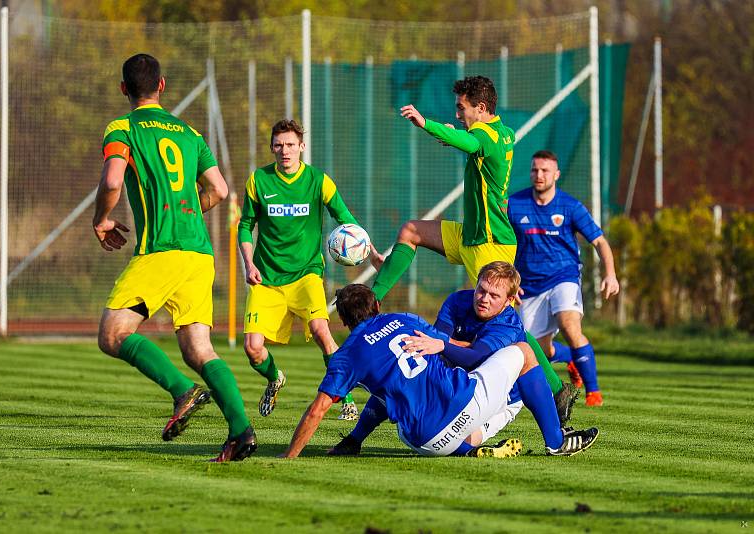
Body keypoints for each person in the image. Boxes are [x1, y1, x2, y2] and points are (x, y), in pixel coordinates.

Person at [94, 53, 255, 462]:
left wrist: (102, 219)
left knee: (113, 334)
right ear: (162, 86)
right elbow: (219, 190)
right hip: (199, 252)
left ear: (123, 89)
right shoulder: (188, 132)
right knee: (199, 350)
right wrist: (187, 212)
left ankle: (183, 392)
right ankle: (241, 431)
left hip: (161, 250)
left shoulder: (122, 127)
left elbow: (113, 179)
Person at [281, 283, 599, 459]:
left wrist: (291, 455)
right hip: (463, 407)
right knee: (526, 353)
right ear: (377, 306)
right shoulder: (405, 319)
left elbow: (317, 410)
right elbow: (444, 345)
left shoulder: (346, 355)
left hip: (423, 442)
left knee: (389, 388)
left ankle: (357, 441)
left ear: (344, 321)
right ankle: (556, 442)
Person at [238, 119, 379, 421]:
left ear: (301, 147)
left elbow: (346, 219)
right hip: (267, 279)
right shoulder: (258, 181)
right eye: (279, 145)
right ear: (272, 148)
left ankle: (347, 399)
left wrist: (371, 252)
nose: (284, 151)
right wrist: (249, 265)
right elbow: (246, 225)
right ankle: (275, 377)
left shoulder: (318, 181)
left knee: (321, 331)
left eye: (290, 145)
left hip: (306, 275)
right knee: (252, 348)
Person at [371, 75, 516, 301]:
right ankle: (371, 301)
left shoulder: (485, 137)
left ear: (481, 108)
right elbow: (475, 141)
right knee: (411, 231)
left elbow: (475, 142)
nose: (457, 114)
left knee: (504, 323)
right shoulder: (504, 132)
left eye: (461, 108)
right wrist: (458, 136)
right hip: (470, 235)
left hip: (489, 243)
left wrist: (425, 123)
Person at [508, 150, 620, 407]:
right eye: (535, 170)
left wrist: (610, 274)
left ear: (556, 175)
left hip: (564, 276)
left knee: (570, 326)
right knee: (539, 350)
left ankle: (594, 393)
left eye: (545, 170)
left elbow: (600, 241)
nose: (539, 175)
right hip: (529, 287)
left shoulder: (570, 207)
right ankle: (571, 357)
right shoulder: (515, 204)